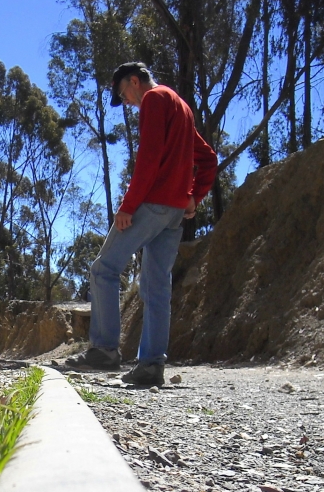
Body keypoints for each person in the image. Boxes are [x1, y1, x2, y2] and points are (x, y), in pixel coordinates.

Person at [65, 62, 217, 386]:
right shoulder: (182, 106)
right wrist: (194, 196)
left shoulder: (154, 99)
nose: (130, 103)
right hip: (176, 212)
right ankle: (150, 366)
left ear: (135, 81)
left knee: (104, 268)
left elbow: (148, 158)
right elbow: (208, 158)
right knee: (156, 284)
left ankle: (105, 349)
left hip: (153, 204)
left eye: (126, 94)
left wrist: (128, 206)